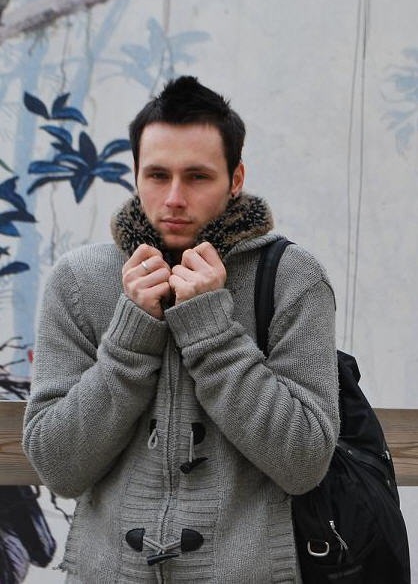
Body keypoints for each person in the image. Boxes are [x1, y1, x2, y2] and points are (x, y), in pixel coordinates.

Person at [23, 76, 340, 584]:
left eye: (197, 176)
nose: (173, 198)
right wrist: (130, 340)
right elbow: (58, 468)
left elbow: (304, 462)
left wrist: (212, 331)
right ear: (135, 174)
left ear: (235, 178)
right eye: (157, 175)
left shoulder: (292, 278)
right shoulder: (79, 281)